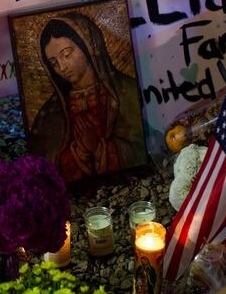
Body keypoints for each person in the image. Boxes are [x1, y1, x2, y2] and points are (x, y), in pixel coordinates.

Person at [30, 12, 144, 182]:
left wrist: (99, 148)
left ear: (88, 46)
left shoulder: (127, 91)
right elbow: (44, 167)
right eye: (53, 63)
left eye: (66, 54)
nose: (61, 67)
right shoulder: (50, 113)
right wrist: (80, 152)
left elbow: (141, 149)